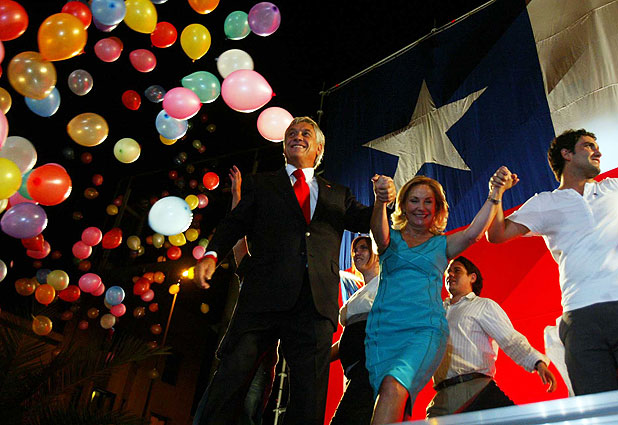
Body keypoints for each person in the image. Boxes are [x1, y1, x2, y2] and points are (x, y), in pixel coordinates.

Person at [194, 116, 396, 425]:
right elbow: (235, 223)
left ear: (319, 149)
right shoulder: (261, 184)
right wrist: (211, 255)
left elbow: (366, 220)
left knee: (308, 396)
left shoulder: (337, 193)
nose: (297, 136)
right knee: (231, 379)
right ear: (284, 146)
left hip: (314, 305)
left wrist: (383, 200)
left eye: (305, 133)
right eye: (291, 133)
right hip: (262, 300)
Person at [366, 170, 507, 425]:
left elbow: (473, 233)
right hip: (383, 332)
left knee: (393, 386)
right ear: (403, 205)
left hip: (425, 330)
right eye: (414, 200)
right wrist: (380, 201)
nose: (421, 207)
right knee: (396, 401)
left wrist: (494, 194)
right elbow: (378, 234)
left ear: (437, 209)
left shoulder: (442, 245)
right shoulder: (389, 238)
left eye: (428, 202)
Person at [486, 129, 618, 396]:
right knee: (598, 407)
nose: (598, 152)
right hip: (580, 317)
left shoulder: (613, 188)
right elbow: (496, 234)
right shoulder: (545, 202)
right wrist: (497, 192)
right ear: (567, 154)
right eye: (588, 146)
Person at [426, 256, 557, 417]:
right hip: (442, 397)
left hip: (477, 391)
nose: (450, 275)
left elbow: (509, 339)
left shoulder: (482, 306)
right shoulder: (437, 312)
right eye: (448, 272)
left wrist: (537, 362)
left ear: (472, 277)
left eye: (457, 270)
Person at [330, 235, 380, 425]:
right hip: (354, 373)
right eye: (355, 250)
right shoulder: (358, 294)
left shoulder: (387, 285)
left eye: (363, 248)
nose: (357, 253)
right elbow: (348, 338)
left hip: (371, 372)